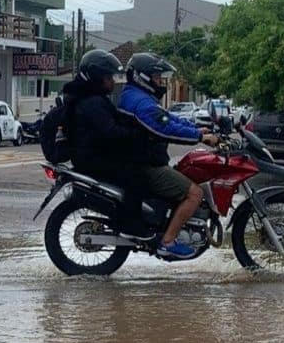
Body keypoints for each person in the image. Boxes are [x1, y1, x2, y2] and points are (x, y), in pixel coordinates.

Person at [118, 53, 220, 259]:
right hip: (145, 166)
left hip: (143, 161)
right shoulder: (140, 102)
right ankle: (168, 241)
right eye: (156, 77)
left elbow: (169, 119)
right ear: (142, 77)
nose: (159, 81)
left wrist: (198, 127)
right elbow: (164, 128)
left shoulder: (138, 97)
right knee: (194, 193)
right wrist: (200, 136)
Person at [61, 49, 148, 230]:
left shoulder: (91, 98)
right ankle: (131, 224)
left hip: (91, 155)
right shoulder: (92, 103)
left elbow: (115, 120)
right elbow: (111, 131)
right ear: (96, 77)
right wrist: (138, 134)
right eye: (108, 77)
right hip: (92, 158)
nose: (112, 81)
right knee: (138, 175)